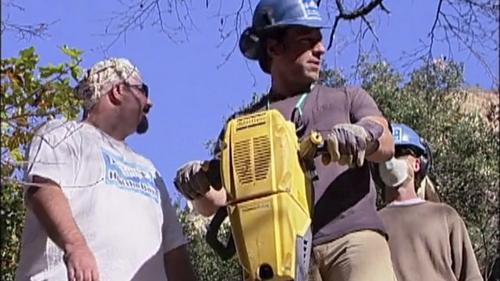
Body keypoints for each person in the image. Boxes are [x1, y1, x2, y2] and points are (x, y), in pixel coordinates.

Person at [174, 0, 397, 280]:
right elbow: (216, 202)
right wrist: (197, 183)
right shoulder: (240, 126)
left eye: (320, 40)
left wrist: (364, 135)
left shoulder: (347, 97)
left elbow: (386, 143)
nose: (321, 49)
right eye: (308, 40)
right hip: (278, 252)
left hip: (351, 239)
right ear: (273, 47)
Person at [16, 58, 197, 281]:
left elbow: (174, 253)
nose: (150, 103)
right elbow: (43, 188)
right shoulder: (61, 135)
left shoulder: (150, 171)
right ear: (118, 91)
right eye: (143, 91)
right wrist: (76, 246)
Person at [377, 123, 483, 281]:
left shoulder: (446, 217)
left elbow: (471, 276)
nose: (392, 159)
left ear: (417, 164)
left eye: (400, 153)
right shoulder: (373, 224)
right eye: (387, 154)